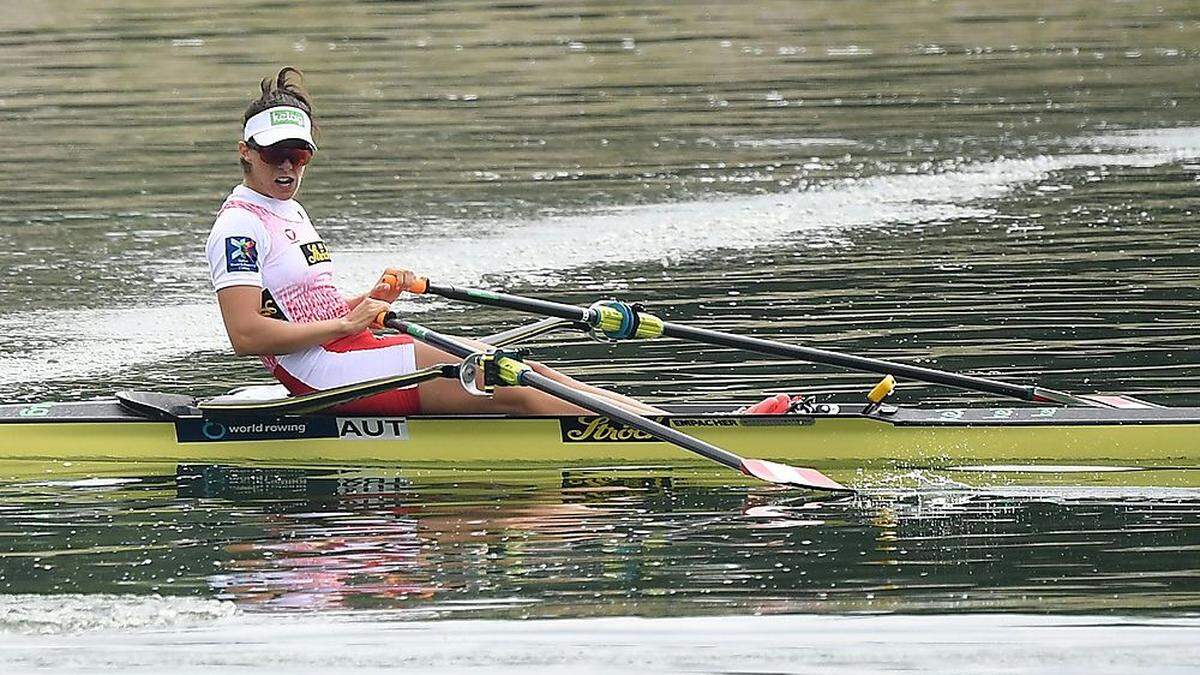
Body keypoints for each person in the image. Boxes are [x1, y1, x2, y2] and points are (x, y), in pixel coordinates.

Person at [205, 67, 659, 416]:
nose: (288, 167)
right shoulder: (239, 227)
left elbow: (307, 306)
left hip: (348, 348)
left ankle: (657, 417)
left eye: (299, 155)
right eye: (274, 155)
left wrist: (369, 299)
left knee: (505, 364)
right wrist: (348, 325)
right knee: (507, 382)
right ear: (245, 150)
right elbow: (247, 335)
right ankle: (643, 434)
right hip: (322, 371)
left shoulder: (290, 211)